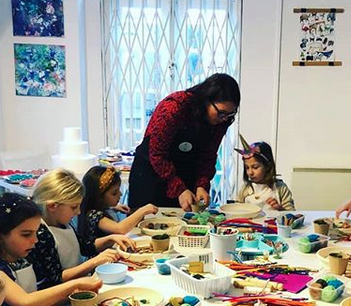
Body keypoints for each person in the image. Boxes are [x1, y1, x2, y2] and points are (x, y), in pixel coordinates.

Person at [0, 193, 101, 306]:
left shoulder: (23, 261)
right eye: (26, 234)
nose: (35, 240)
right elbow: (27, 303)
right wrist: (74, 284)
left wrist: (71, 296)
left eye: (35, 233)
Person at [128, 73, 241, 211]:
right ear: (206, 100)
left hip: (185, 171)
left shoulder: (222, 120)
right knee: (148, 219)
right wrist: (179, 189)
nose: (224, 118)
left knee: (185, 220)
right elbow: (157, 154)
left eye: (230, 114)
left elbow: (208, 155)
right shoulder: (174, 107)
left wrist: (201, 185)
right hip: (151, 173)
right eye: (221, 112)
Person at [32, 168, 135, 275]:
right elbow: (56, 278)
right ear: (52, 206)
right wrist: (94, 262)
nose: (78, 212)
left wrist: (111, 239)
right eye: (74, 207)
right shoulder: (41, 234)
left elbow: (84, 246)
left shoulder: (63, 223)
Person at [77, 166, 157, 241]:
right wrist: (143, 210)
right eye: (114, 193)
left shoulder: (97, 207)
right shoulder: (93, 215)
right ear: (99, 197)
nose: (120, 194)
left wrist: (111, 207)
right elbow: (120, 229)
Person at [235, 138, 295, 211]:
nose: (250, 172)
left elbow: (291, 213)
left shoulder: (280, 188)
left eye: (255, 167)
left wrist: (280, 209)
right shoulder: (245, 189)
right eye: (247, 168)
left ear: (268, 166)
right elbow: (237, 209)